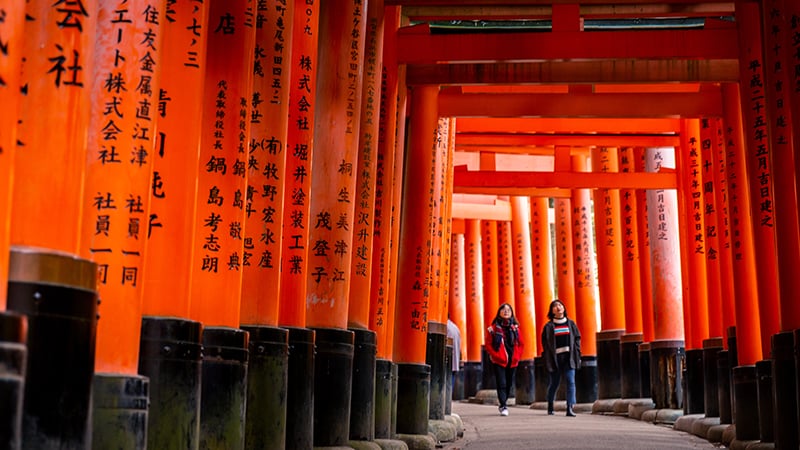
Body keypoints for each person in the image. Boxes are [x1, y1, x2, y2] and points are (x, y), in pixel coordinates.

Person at [541, 299, 581, 417]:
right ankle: (550, 403)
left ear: (564, 308)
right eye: (555, 306)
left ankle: (569, 407)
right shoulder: (548, 326)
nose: (558, 307)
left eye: (560, 305)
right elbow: (545, 343)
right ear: (552, 311)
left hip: (569, 356)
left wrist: (577, 351)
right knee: (554, 383)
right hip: (555, 358)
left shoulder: (571, 324)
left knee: (570, 381)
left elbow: (577, 338)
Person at [485, 303, 524, 416]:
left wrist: (517, 356)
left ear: (512, 313)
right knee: (501, 382)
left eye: (508, 310)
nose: (506, 311)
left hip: (513, 360)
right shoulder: (492, 329)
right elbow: (488, 345)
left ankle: (503, 402)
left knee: (508, 383)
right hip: (499, 360)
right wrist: (495, 355)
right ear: (499, 312)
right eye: (503, 309)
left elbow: (521, 344)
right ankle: (503, 405)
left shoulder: (515, 328)